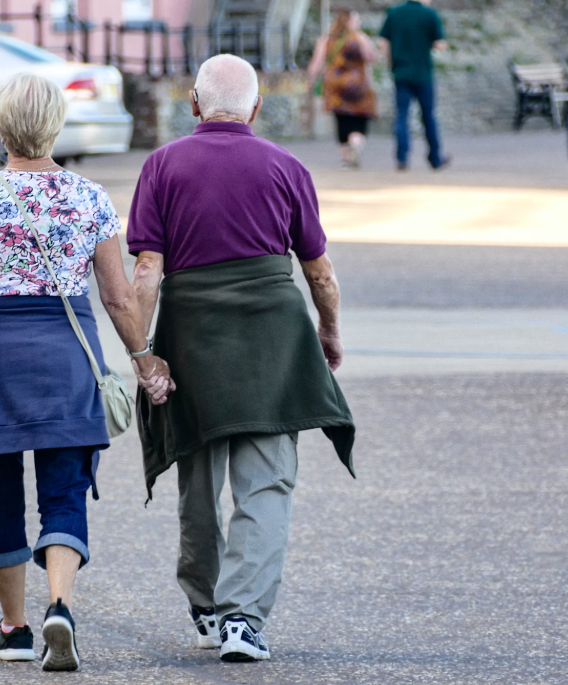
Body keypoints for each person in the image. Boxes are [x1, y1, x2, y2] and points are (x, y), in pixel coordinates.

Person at [0, 74, 173, 672]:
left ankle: (15, 629)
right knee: (65, 491)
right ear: (56, 126)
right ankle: (61, 607)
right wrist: (144, 361)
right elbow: (119, 298)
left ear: (0, 128)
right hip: (66, 360)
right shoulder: (91, 198)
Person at [127, 54, 356, 663]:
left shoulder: (162, 166)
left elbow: (147, 271)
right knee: (267, 481)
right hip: (272, 341)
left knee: (198, 479)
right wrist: (329, 332)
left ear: (194, 105)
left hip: (191, 336)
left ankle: (206, 607)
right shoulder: (286, 167)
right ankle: (242, 621)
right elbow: (320, 272)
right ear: (256, 108)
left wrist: (143, 353)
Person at [378, 0, 451, 170]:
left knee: (402, 115)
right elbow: (440, 44)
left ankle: (402, 157)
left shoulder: (394, 13)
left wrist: (391, 63)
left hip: (401, 73)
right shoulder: (429, 14)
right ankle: (435, 157)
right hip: (423, 74)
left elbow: (382, 42)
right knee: (428, 116)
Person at [307, 8, 378, 168]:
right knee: (360, 117)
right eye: (357, 20)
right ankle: (356, 141)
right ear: (350, 21)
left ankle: (346, 157)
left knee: (341, 119)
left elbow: (316, 63)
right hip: (359, 84)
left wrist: (310, 81)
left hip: (335, 86)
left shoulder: (327, 39)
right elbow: (372, 58)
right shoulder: (359, 38)